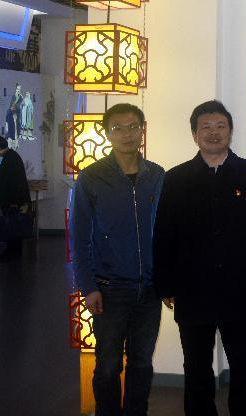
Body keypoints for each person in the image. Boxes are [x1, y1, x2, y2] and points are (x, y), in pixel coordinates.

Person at [153, 100, 246, 416]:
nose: (214, 133)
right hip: (192, 288)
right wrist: (165, 284)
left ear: (230, 131)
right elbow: (164, 232)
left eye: (220, 126)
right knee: (196, 365)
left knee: (244, 363)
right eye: (206, 127)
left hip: (240, 287)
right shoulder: (176, 178)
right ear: (194, 134)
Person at [69, 103, 165, 416]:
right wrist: (87, 286)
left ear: (143, 130)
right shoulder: (91, 177)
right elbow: (79, 238)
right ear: (108, 134)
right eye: (118, 128)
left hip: (149, 289)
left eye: (133, 126)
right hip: (109, 289)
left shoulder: (157, 176)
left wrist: (168, 281)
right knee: (108, 366)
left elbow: (167, 233)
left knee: (142, 363)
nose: (127, 134)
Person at [0, 135, 31, 261]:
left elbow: (1, 178)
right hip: (16, 200)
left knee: (12, 227)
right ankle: (13, 252)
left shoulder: (10, 158)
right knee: (15, 228)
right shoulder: (11, 156)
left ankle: (12, 253)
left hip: (14, 201)